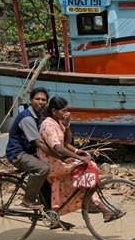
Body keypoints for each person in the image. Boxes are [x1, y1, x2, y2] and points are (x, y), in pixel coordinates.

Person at [37, 96, 115, 226]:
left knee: (85, 172)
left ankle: (91, 203)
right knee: (86, 168)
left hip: (58, 158)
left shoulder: (58, 122)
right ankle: (96, 205)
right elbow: (57, 146)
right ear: (54, 111)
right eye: (63, 111)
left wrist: (77, 149)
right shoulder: (48, 124)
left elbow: (67, 142)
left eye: (67, 110)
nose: (66, 113)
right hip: (51, 160)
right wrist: (79, 158)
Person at [5, 87, 52, 209]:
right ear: (30, 100)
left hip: (30, 153)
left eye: (43, 100)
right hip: (18, 154)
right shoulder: (27, 118)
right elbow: (40, 143)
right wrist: (58, 155)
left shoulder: (40, 117)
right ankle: (28, 199)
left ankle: (51, 215)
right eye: (37, 99)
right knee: (43, 169)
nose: (40, 102)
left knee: (50, 176)